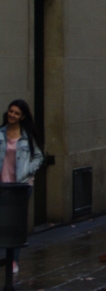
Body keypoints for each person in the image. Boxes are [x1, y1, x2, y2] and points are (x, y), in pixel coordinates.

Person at [1, 100, 44, 273]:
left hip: (20, 185)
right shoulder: (1, 133)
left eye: (16, 113)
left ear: (23, 116)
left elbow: (39, 156)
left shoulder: (27, 136)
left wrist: (28, 171)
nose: (12, 115)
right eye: (11, 111)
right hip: (2, 184)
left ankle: (13, 261)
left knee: (16, 225)